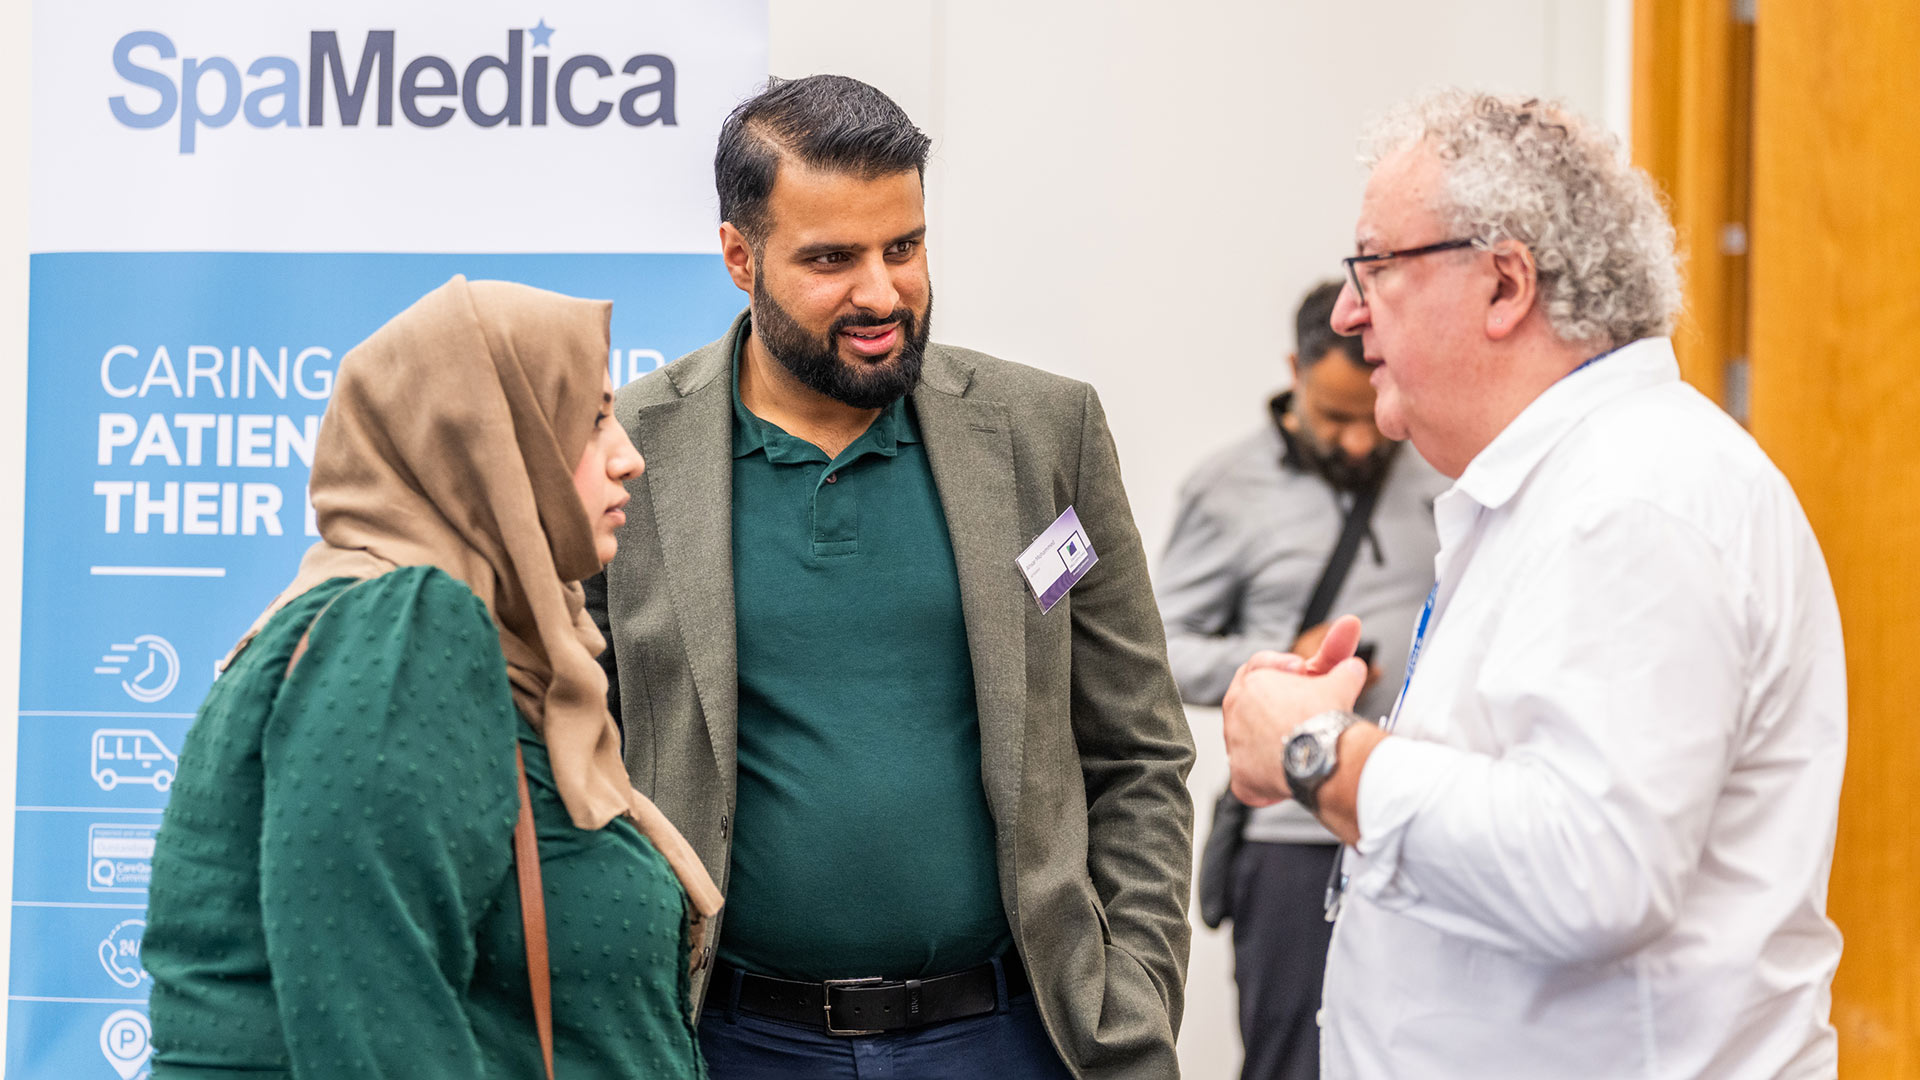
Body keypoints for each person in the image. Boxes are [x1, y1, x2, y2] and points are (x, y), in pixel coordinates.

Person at [1220, 90, 1846, 1079]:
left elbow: (1592, 869)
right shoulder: (1563, 488)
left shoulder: (1638, 496)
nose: (1347, 312)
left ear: (1505, 285)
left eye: (1374, 266)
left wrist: (1318, 752)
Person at [585, 75, 1193, 1079]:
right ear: (740, 256)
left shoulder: (1044, 433)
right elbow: (572, 761)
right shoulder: (631, 450)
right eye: (831, 259)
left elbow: (1137, 751)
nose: (882, 292)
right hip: (725, 1041)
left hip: (1010, 1036)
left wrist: (1132, 1000)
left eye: (902, 248)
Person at [143, 276, 723, 1079]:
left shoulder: (427, 631)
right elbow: (372, 1015)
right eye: (591, 421)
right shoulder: (405, 627)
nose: (628, 457)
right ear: (483, 442)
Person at [1157, 280, 1443, 1080]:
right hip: (1290, 844)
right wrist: (1283, 654)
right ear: (1295, 370)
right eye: (1334, 416)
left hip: (1419, 822)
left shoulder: (1436, 462)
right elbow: (1160, 646)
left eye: (1370, 415)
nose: (1358, 442)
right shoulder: (1225, 488)